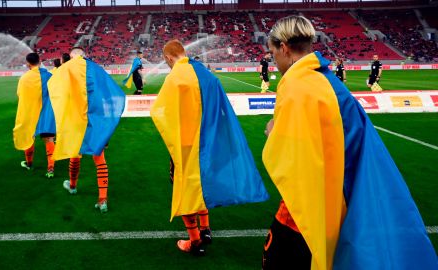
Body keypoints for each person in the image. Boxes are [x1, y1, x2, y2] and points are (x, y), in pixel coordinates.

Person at [262, 15, 436, 269]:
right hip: (344, 195)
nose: (274, 60)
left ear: (284, 48)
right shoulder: (325, 80)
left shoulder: (298, 84)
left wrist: (273, 134)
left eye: (272, 52)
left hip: (309, 209)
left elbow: (298, 156)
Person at [150, 40, 268, 256]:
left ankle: (194, 241)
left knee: (185, 188)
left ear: (168, 58)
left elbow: (159, 112)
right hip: (207, 142)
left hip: (187, 144)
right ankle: (206, 230)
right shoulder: (204, 73)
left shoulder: (175, 76)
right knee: (201, 184)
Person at [48, 47, 126, 213]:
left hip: (76, 119)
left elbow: (54, 90)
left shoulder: (65, 69)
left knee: (75, 153)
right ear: (84, 55)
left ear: (71, 56)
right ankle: (103, 199)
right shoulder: (97, 69)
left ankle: (73, 186)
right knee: (99, 158)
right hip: (96, 119)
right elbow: (112, 93)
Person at [13, 52, 56, 178]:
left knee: (29, 137)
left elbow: (20, 94)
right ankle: (50, 169)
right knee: (49, 139)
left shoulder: (24, 78)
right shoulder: (49, 76)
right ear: (40, 60)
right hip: (47, 113)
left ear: (28, 63)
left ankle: (29, 163)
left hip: (31, 112)